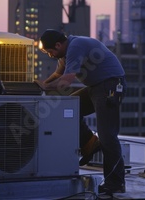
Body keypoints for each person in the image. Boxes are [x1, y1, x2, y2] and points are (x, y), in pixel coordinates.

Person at [35, 29, 127, 195]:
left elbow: (67, 80)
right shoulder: (64, 53)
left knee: (108, 135)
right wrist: (40, 84)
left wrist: (47, 87)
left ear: (58, 44)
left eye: (50, 52)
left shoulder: (75, 46)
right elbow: (58, 73)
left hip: (110, 86)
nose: (50, 55)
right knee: (67, 108)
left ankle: (116, 183)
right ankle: (91, 144)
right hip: (95, 86)